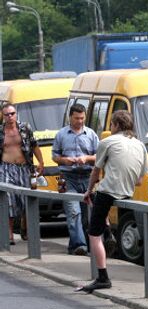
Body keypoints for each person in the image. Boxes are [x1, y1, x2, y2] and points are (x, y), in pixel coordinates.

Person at [76, 111, 148, 292]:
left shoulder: (107, 142)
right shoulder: (140, 145)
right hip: (128, 192)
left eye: (111, 124)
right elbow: (140, 180)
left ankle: (102, 276)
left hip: (108, 192)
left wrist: (87, 190)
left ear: (116, 125)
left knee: (93, 232)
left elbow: (95, 171)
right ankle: (108, 231)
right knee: (99, 200)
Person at [52, 104, 98, 256]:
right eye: (77, 118)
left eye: (82, 118)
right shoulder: (61, 135)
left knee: (86, 215)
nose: (80, 121)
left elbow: (99, 157)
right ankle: (80, 246)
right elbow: (55, 156)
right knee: (74, 212)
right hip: (68, 178)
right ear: (70, 117)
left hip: (87, 177)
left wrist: (86, 158)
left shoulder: (91, 134)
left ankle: (77, 245)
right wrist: (65, 161)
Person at [0, 103, 44, 246]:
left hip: (24, 168)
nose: (10, 117)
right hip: (6, 168)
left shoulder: (25, 128)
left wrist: (41, 162)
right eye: (7, 114)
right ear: (3, 115)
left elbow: (34, 145)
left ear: (16, 114)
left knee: (26, 199)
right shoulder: (0, 131)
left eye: (12, 113)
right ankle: (9, 234)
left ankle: (26, 229)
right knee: (9, 200)